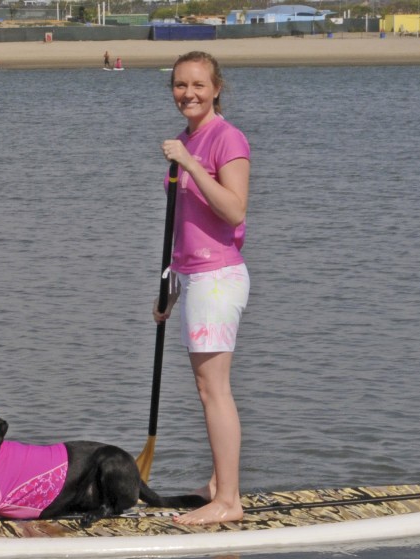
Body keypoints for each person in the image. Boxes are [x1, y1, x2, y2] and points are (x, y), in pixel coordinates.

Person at [154, 51, 250, 526]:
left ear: (216, 89)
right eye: (179, 85)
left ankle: (228, 500)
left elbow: (234, 210)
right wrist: (169, 288)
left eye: (197, 85)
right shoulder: (189, 140)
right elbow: (185, 226)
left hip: (219, 277)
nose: (187, 93)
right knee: (206, 387)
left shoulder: (225, 139)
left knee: (214, 388)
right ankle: (218, 484)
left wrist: (190, 164)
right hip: (193, 276)